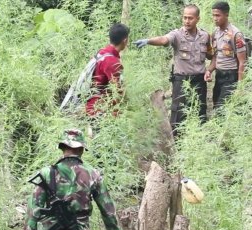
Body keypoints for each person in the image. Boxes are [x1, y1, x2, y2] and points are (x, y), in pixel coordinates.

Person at [23, 129, 122, 230]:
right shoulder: (93, 174)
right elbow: (108, 212)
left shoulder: (46, 173)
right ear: (82, 149)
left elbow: (33, 212)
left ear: (62, 147)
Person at [134, 4, 213, 137]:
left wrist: (212, 67)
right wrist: (149, 41)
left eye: (190, 18)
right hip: (181, 80)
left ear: (197, 19)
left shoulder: (205, 36)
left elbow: (211, 54)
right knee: (179, 113)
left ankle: (199, 140)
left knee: (200, 110)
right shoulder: (177, 34)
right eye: (185, 18)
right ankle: (178, 143)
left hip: (199, 80)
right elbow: (164, 39)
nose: (187, 21)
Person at [204, 1, 247, 109]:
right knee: (216, 105)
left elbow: (242, 62)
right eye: (213, 15)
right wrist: (209, 70)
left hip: (231, 76)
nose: (215, 18)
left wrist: (240, 87)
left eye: (218, 15)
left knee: (222, 110)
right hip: (219, 76)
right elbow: (215, 56)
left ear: (226, 15)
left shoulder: (236, 34)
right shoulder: (215, 33)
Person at [86, 23, 129, 118]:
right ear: (125, 41)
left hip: (90, 104)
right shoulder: (112, 61)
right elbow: (117, 92)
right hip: (98, 110)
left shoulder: (102, 52)